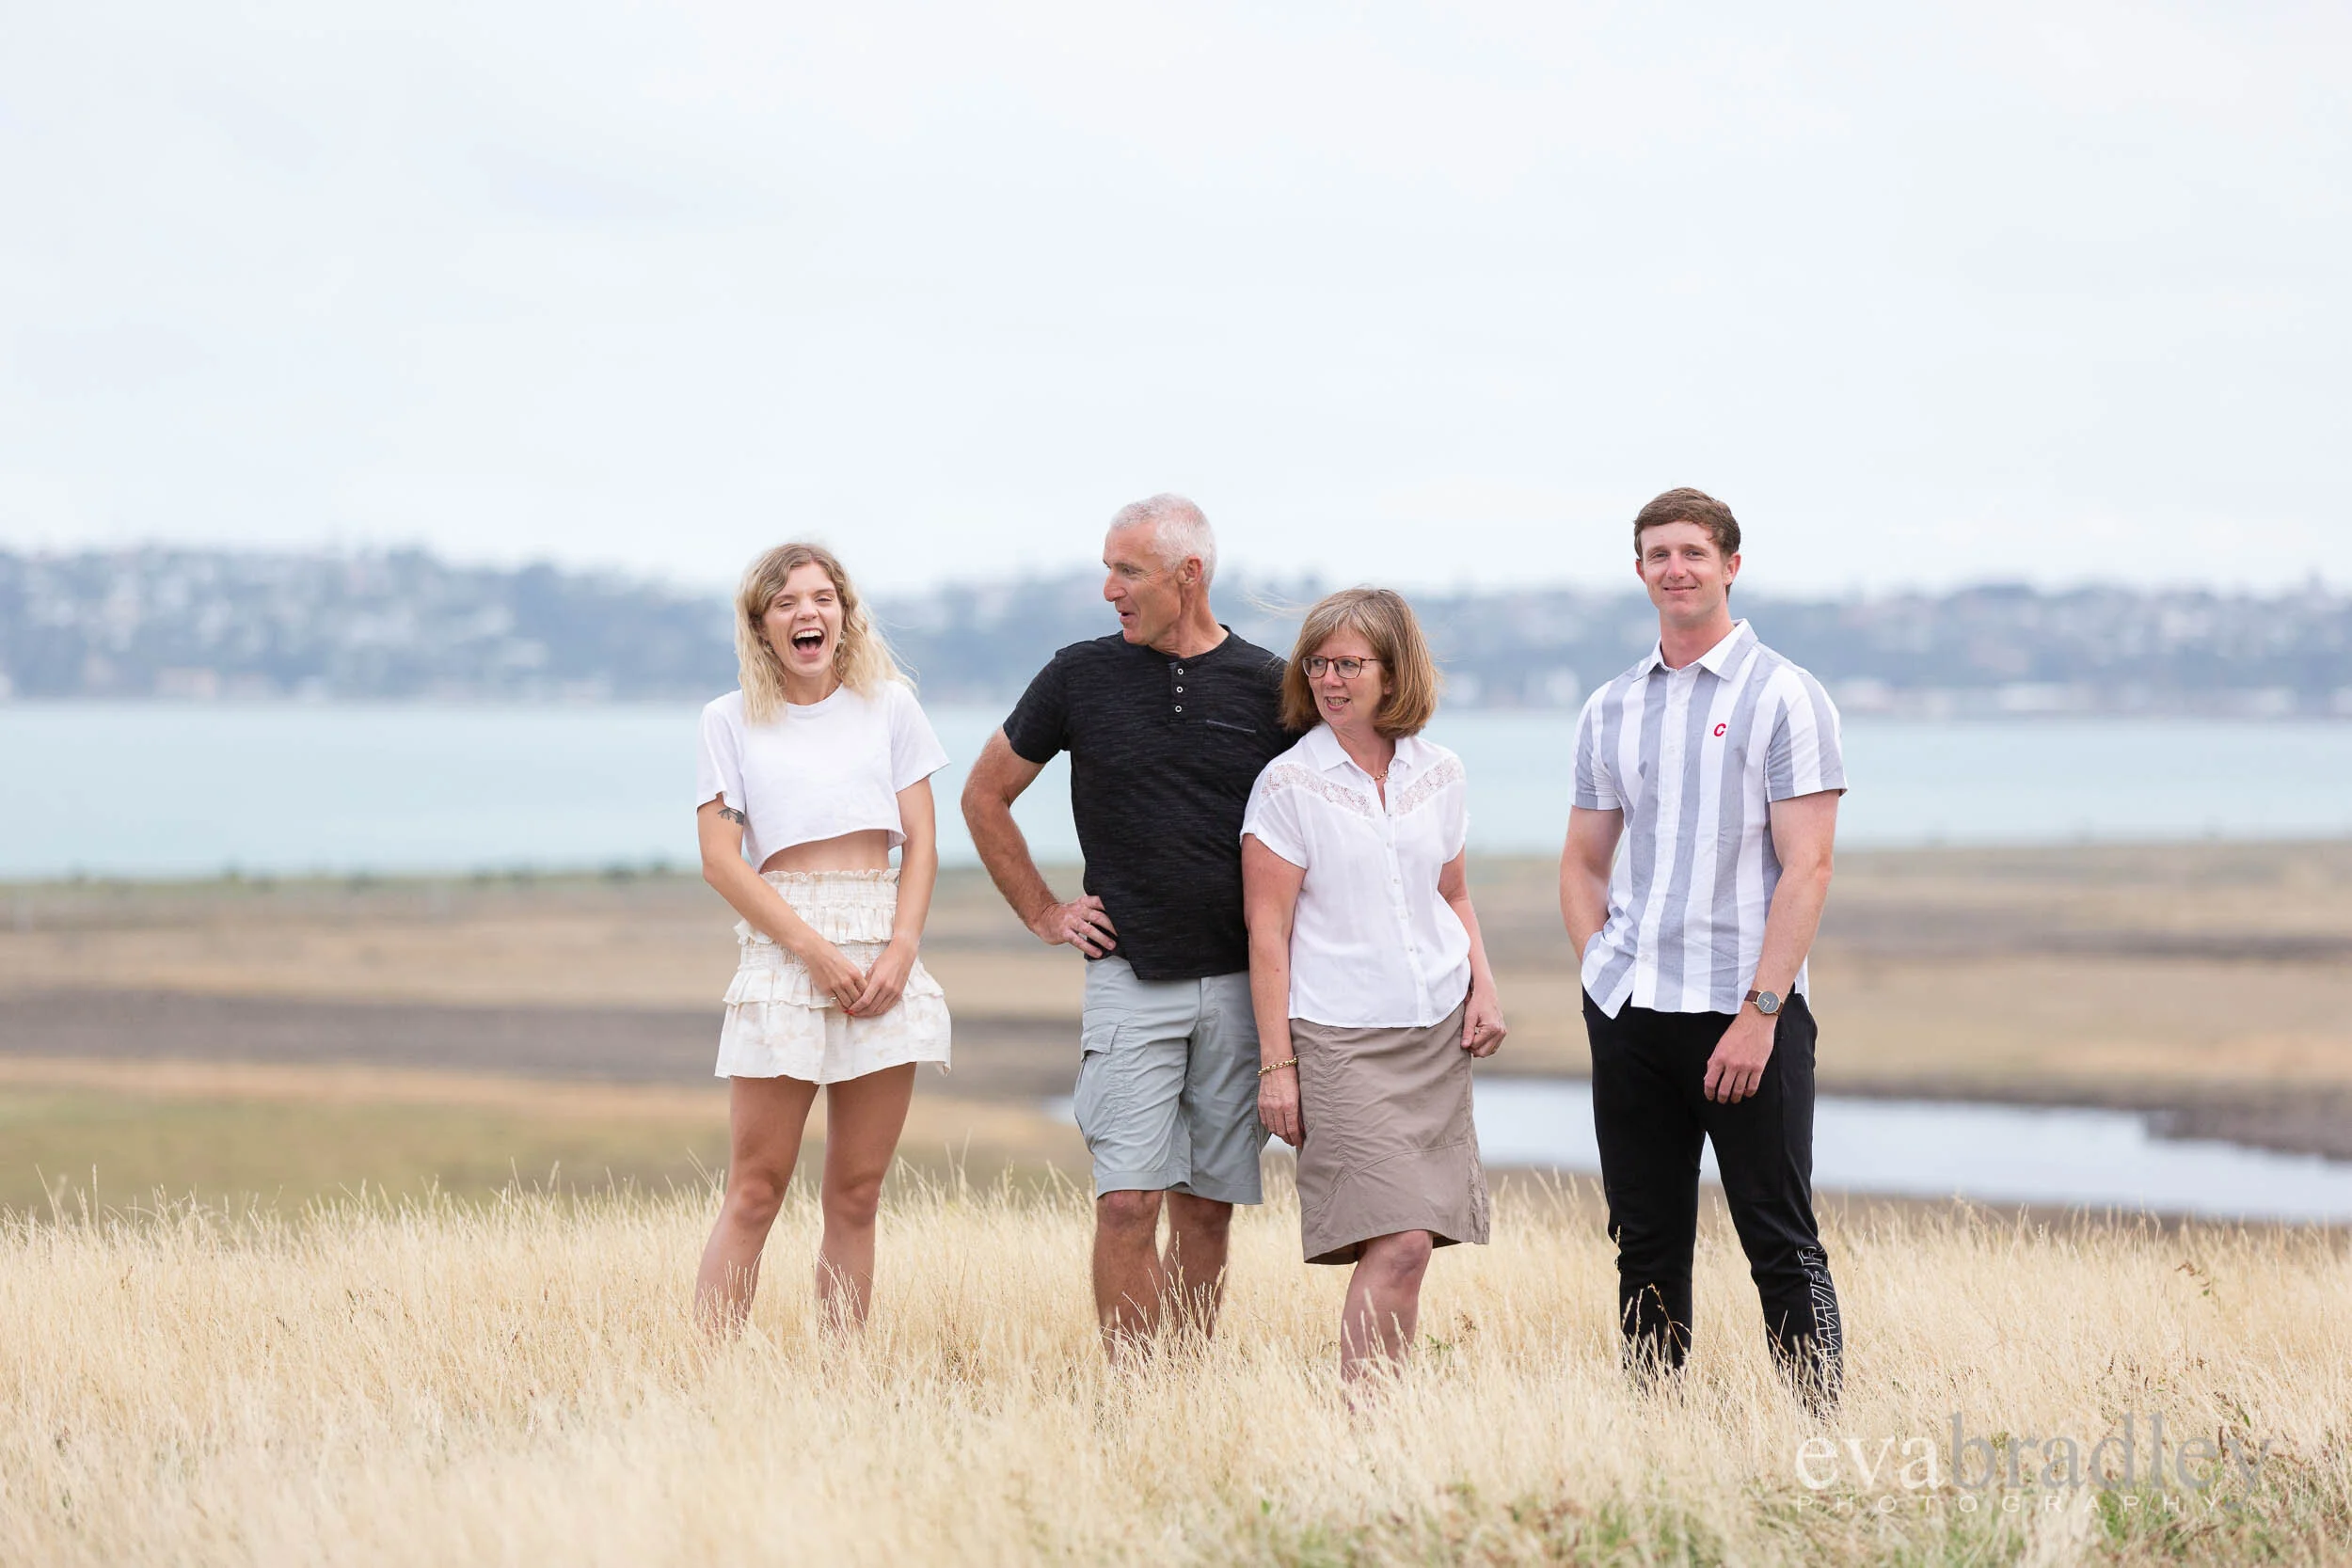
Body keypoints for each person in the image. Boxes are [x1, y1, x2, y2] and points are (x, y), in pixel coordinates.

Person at [961, 494, 1288, 1355]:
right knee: (1127, 1201)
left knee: (1208, 1209)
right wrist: (1044, 909)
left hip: (1241, 987)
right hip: (1128, 979)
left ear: (1190, 575)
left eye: (1127, 570)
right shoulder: (1077, 675)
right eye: (1108, 567)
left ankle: (1183, 1391)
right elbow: (984, 794)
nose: (1109, 587)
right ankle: (1135, 1399)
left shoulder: (1269, 685)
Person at [1561, 487, 1847, 1409]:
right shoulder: (1609, 708)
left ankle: (1820, 1433)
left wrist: (1760, 1012)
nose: (1674, 567)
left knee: (1778, 1234)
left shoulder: (1785, 695)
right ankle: (1656, 1432)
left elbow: (1807, 868)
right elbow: (1581, 859)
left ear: (1730, 563)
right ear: (1639, 570)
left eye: (1692, 550)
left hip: (1746, 1013)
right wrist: (1601, 978)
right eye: (1656, 553)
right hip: (1634, 1011)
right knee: (1643, 1238)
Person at [1242, 588, 1504, 1385]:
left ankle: (1385, 1426)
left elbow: (1451, 893)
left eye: (1348, 663)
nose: (1329, 679)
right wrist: (1277, 1067)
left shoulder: (1441, 772)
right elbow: (1267, 933)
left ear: (1394, 671)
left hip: (1434, 1032)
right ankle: (1362, 1430)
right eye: (1318, 663)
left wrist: (1482, 987)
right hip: (1339, 1038)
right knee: (1395, 1239)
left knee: (1415, 1246)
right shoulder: (1287, 785)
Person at [691, 542, 952, 1335]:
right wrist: (811, 949)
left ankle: (841, 1383)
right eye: (786, 603)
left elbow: (922, 842)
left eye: (821, 597)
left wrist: (900, 950)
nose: (808, 613)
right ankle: (709, 1375)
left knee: (856, 1193)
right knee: (756, 1188)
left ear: (843, 611)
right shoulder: (727, 720)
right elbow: (719, 859)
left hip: (882, 952)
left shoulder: (892, 707)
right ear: (761, 625)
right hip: (784, 954)